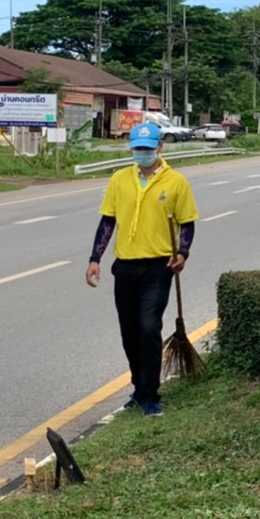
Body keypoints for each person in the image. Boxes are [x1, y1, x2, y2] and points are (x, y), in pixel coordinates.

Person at [85, 122, 198, 418]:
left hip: (158, 267)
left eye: (148, 148)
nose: (142, 153)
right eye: (137, 148)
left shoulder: (176, 182)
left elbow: (187, 223)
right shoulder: (120, 179)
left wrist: (183, 253)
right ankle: (138, 387)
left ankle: (150, 395)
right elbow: (107, 221)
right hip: (124, 267)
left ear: (160, 146)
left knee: (149, 327)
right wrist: (95, 258)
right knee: (130, 332)